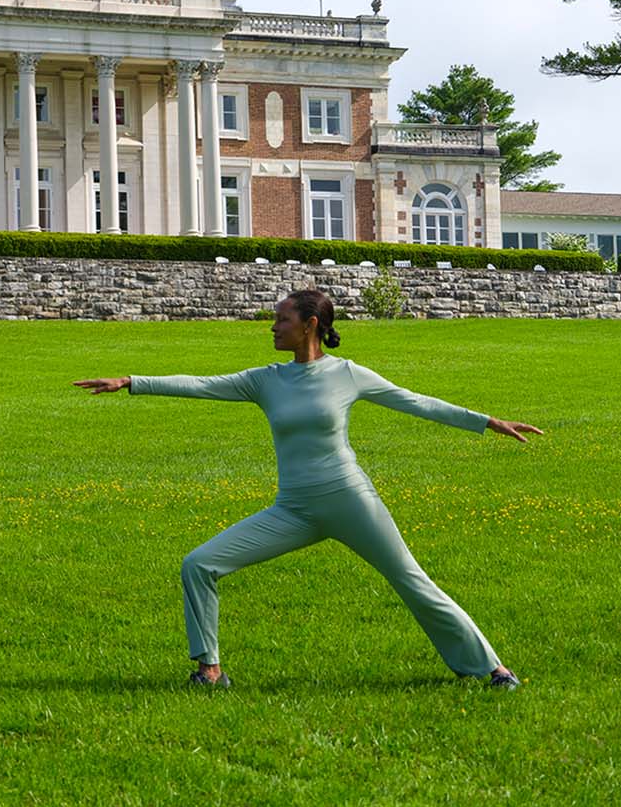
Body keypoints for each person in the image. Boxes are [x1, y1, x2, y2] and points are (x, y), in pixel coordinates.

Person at [74, 290, 539, 690]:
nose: (272, 328)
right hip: (293, 510)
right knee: (199, 564)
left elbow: (414, 401)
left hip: (351, 500)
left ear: (310, 325)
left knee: (411, 581)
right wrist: (132, 382)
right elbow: (200, 384)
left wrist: (486, 421)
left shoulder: (347, 373)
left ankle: (491, 668)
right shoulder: (266, 381)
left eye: (282, 319)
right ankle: (210, 671)